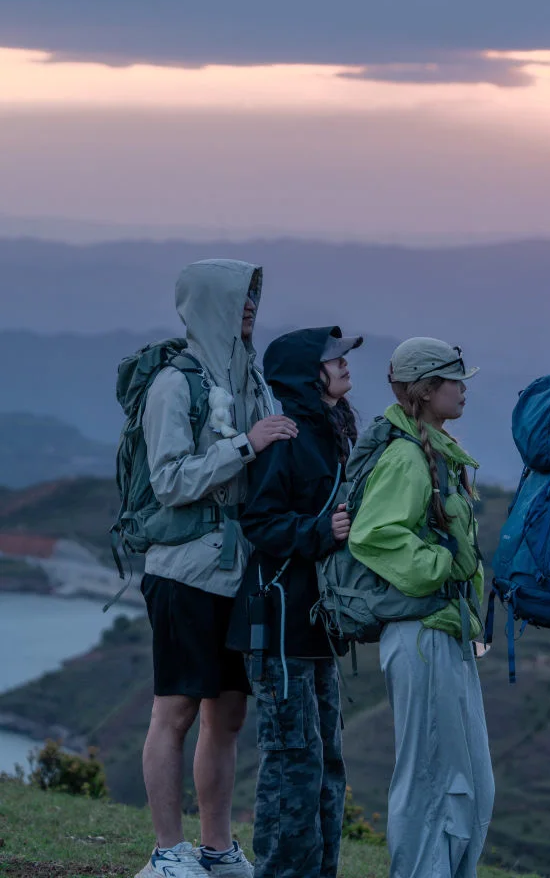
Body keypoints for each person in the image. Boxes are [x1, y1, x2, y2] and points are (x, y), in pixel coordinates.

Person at [137, 259, 298, 878]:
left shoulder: (248, 379)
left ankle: (215, 847)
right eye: (239, 298)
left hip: (240, 575)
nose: (250, 307)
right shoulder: (174, 386)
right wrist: (245, 444)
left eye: (255, 296)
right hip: (184, 572)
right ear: (210, 304)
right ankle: (166, 851)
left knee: (227, 715)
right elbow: (169, 480)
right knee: (173, 711)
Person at [348, 337, 494, 878]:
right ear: (427, 389)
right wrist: (443, 566)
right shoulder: (407, 457)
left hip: (442, 630)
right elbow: (374, 534)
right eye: (455, 379)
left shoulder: (432, 449)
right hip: (422, 633)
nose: (464, 388)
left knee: (462, 778)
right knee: (434, 777)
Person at [227, 325, 363, 878]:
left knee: (327, 761)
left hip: (316, 623)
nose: (344, 365)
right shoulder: (286, 435)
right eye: (335, 359)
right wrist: (319, 531)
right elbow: (259, 520)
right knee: (292, 761)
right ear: (310, 374)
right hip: (279, 622)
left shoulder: (333, 431)